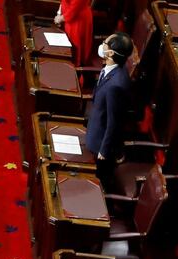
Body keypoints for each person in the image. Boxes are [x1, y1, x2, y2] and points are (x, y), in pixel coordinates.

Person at [85, 32, 133, 190]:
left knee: (97, 181)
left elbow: (114, 122)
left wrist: (103, 151)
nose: (102, 44)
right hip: (95, 123)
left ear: (111, 53)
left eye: (104, 42)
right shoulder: (113, 68)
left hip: (100, 143)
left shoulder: (116, 85)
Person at [54, 0, 93, 66]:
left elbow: (75, 8)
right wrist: (59, 13)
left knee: (74, 49)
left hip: (78, 20)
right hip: (69, 16)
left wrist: (61, 18)